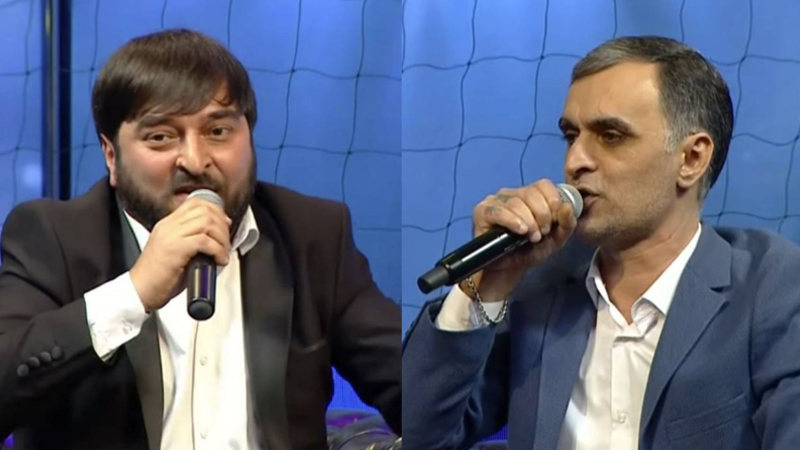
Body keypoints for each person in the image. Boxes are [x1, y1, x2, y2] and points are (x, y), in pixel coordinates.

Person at [0, 29, 400, 450]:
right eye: (161, 137)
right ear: (111, 156)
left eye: (218, 131)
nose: (195, 160)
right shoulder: (53, 237)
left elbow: (409, 389)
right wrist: (134, 293)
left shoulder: (313, 235)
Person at [403, 36, 800, 450]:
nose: (575, 161)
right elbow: (421, 435)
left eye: (610, 136)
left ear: (691, 159)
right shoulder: (538, 283)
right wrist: (488, 285)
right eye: (571, 136)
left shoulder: (772, 288)